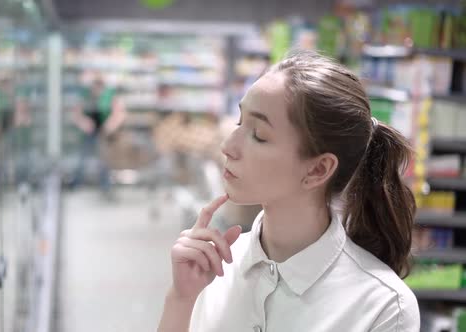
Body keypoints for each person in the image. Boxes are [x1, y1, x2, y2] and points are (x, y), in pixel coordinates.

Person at [158, 50, 419, 332]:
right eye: (239, 122)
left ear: (317, 170)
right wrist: (181, 300)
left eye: (258, 134)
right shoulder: (212, 269)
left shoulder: (382, 306)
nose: (227, 146)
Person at [70, 77, 126, 197]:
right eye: (95, 89)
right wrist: (84, 123)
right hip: (89, 133)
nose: (97, 92)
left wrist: (109, 126)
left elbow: (119, 113)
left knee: (104, 160)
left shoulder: (110, 96)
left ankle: (105, 186)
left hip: (104, 134)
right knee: (82, 158)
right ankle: (76, 183)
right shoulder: (85, 96)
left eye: (99, 89)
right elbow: (76, 114)